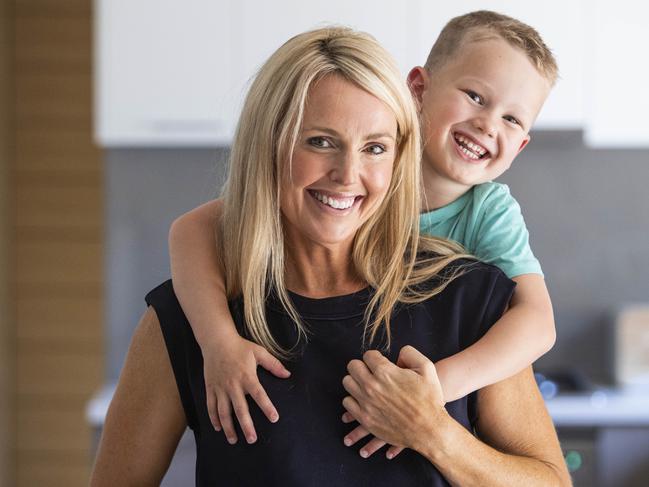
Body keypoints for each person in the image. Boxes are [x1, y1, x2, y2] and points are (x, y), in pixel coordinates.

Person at [89, 27, 570, 486]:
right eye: (320, 141)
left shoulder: (470, 301)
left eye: (375, 148)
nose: (347, 175)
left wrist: (436, 434)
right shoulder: (194, 317)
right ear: (269, 145)